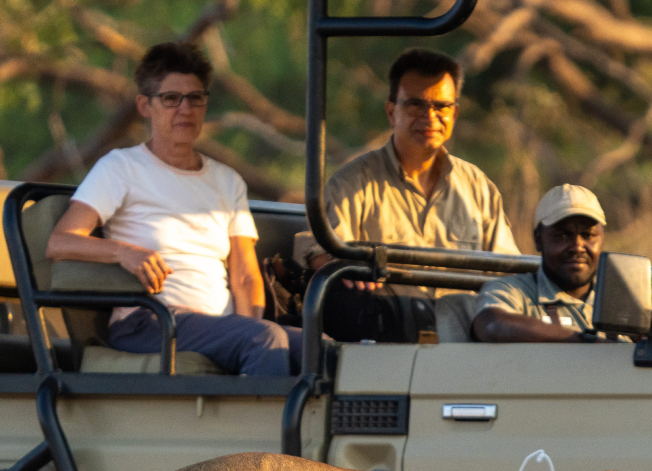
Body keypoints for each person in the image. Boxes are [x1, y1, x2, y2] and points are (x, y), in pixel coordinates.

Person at [46, 42, 303, 376]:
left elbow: (244, 274)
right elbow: (60, 242)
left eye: (196, 98)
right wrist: (125, 252)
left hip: (217, 325)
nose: (186, 109)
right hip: (151, 320)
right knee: (263, 339)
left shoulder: (227, 180)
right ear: (145, 106)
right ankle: (256, 427)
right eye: (171, 98)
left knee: (323, 349)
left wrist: (244, 329)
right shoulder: (121, 167)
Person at [294, 47, 519, 286]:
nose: (430, 116)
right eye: (416, 105)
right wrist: (340, 262)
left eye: (442, 106)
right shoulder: (352, 184)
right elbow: (316, 248)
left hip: (465, 321)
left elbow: (509, 272)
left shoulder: (478, 188)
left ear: (454, 114)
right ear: (391, 112)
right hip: (386, 320)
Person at [471, 185, 614, 343]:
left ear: (602, 240)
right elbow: (492, 325)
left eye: (588, 235)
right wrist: (586, 342)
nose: (577, 247)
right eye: (562, 235)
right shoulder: (513, 291)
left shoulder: (620, 300)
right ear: (538, 239)